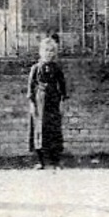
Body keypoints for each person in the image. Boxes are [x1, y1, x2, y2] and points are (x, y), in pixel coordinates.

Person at [27, 36, 68, 170]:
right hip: (40, 103)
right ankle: (40, 161)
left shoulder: (57, 69)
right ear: (40, 52)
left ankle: (56, 161)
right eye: (46, 50)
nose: (48, 53)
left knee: (54, 129)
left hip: (53, 101)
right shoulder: (35, 68)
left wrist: (62, 102)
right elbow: (30, 88)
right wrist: (32, 105)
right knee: (39, 130)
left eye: (51, 51)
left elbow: (62, 87)